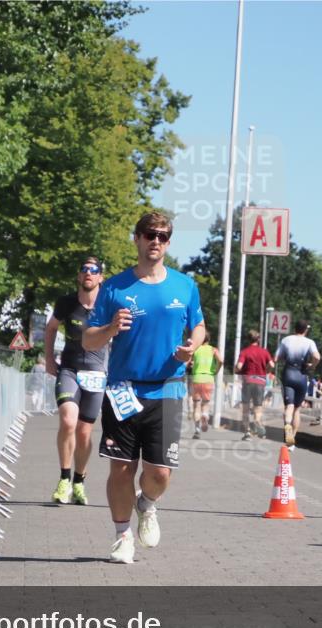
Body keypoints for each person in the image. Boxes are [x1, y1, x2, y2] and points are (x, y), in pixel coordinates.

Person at [83, 212, 205, 564]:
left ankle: (146, 505)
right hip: (123, 389)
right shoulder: (115, 288)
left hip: (167, 389)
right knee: (121, 468)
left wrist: (192, 346)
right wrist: (108, 330)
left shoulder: (185, 286)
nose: (156, 241)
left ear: (169, 243)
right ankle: (122, 536)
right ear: (136, 238)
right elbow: (89, 341)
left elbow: (198, 327)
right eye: (150, 234)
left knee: (160, 473)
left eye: (163, 236)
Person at [44, 258, 109, 505]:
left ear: (101, 277)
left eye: (94, 270)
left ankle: (79, 481)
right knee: (68, 420)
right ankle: (64, 479)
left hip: (96, 374)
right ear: (79, 276)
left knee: (84, 433)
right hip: (69, 370)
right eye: (84, 269)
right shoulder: (66, 302)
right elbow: (51, 328)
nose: (88, 273)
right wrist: (49, 358)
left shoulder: (108, 304)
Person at [274, 320, 320, 447]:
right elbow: (317, 357)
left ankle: (287, 430)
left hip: (288, 374)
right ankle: (292, 439)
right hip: (302, 375)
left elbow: (276, 358)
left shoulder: (286, 340)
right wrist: (312, 366)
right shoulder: (310, 342)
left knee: (289, 406)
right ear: (306, 330)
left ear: (295, 328)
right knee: (297, 409)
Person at [235, 329, 273, 440]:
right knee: (258, 407)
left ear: (248, 339)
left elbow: (239, 366)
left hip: (248, 381)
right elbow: (272, 364)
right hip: (260, 382)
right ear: (258, 339)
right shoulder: (264, 352)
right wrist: (266, 370)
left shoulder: (245, 352)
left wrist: (236, 370)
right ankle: (257, 422)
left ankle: (247, 433)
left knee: (246, 408)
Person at [189, 331, 222, 439]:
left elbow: (188, 362)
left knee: (196, 405)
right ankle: (205, 415)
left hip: (197, 378)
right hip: (209, 379)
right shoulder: (213, 350)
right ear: (209, 339)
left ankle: (197, 430)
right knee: (205, 404)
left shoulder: (196, 349)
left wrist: (192, 364)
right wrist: (216, 370)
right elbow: (221, 360)